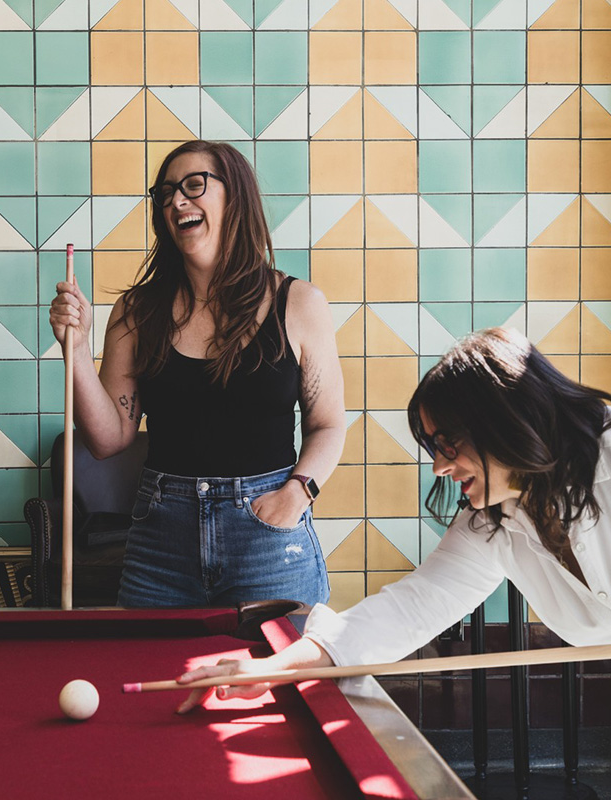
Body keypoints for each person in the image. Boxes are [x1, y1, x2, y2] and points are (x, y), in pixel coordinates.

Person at [176, 327, 611, 712]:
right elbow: (411, 608)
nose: (440, 466)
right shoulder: (493, 519)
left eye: (449, 444)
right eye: (434, 448)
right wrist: (273, 669)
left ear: (504, 423)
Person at [49, 140, 345, 607]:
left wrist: (298, 492)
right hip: (160, 539)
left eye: (193, 186)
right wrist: (77, 350)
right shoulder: (136, 312)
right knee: (151, 675)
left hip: (267, 534)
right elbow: (108, 440)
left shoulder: (300, 304)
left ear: (236, 196)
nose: (176, 201)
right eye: (165, 193)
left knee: (279, 675)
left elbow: (328, 424)